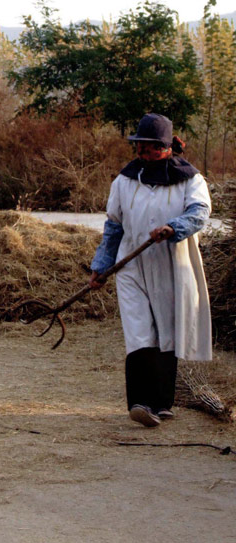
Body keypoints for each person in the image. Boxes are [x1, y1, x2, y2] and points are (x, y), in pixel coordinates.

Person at [89, 114, 212, 428]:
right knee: (139, 330)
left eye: (150, 149)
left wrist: (174, 227)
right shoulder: (126, 180)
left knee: (166, 331)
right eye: (140, 148)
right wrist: (101, 267)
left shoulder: (190, 179)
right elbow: (113, 226)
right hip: (131, 264)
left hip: (171, 263)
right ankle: (140, 404)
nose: (143, 154)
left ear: (166, 147)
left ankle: (162, 402)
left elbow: (200, 212)